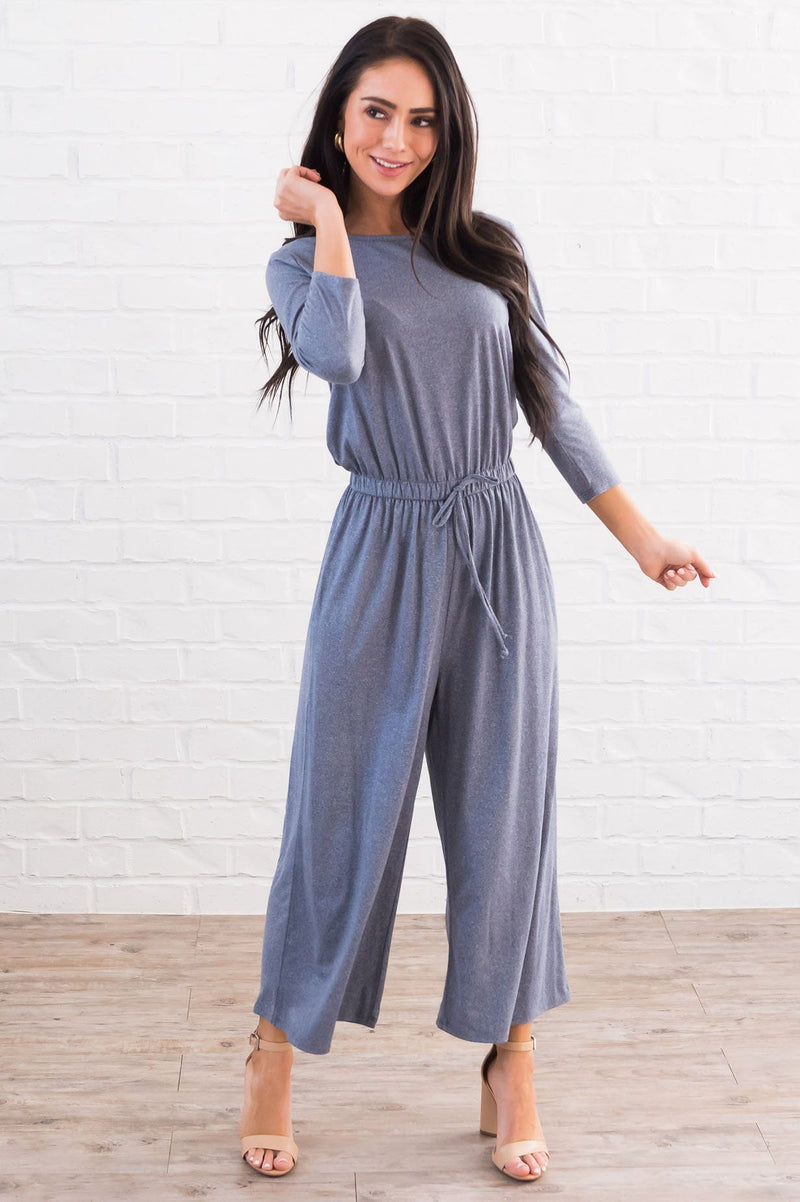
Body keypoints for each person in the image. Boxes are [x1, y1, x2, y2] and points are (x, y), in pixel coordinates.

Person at [239, 16, 715, 1183]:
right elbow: (338, 357)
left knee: (505, 821)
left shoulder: (488, 251)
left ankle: (514, 1058)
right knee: (336, 812)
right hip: (379, 544)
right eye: (375, 113)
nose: (397, 139)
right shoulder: (300, 266)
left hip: (495, 545)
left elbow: (548, 400)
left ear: (446, 132)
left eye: (420, 119)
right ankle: (272, 1048)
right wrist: (331, 222)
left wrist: (640, 537)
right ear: (337, 119)